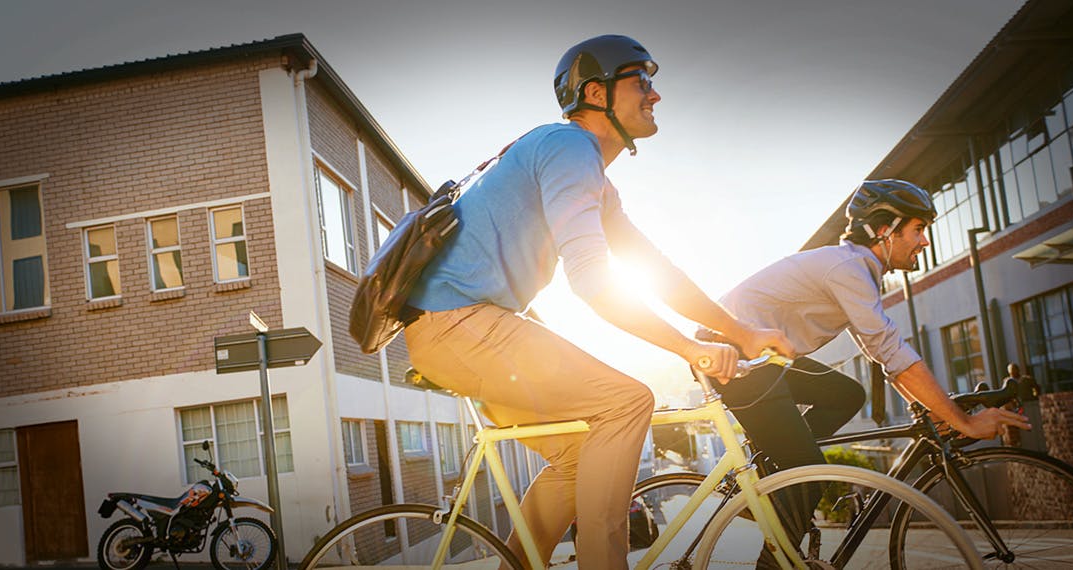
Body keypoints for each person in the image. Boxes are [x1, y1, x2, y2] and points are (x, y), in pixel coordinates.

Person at [403, 34, 794, 570]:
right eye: (642, 81)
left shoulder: (593, 180)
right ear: (595, 92)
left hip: (462, 329)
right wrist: (687, 348)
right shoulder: (568, 149)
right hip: (458, 323)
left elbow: (656, 270)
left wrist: (741, 333)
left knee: (573, 455)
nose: (655, 94)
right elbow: (591, 282)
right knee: (626, 402)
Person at [699, 178, 1031, 567]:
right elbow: (891, 351)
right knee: (810, 473)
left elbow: (881, 353)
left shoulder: (857, 270)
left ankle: (777, 473)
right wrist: (963, 422)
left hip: (762, 360)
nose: (925, 241)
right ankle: (777, 547)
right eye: (918, 229)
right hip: (733, 357)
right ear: (885, 230)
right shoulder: (848, 268)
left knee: (846, 395)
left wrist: (931, 411)